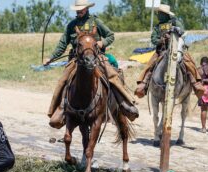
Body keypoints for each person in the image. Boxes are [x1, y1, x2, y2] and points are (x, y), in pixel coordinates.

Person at [45, 0, 138, 128]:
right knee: (63, 80)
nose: (79, 11)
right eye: (77, 9)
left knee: (112, 75)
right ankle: (57, 111)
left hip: (97, 57)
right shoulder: (71, 25)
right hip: (76, 60)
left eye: (81, 8)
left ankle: (126, 104)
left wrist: (102, 43)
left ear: (87, 9)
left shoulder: (96, 22)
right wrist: (51, 58)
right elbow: (62, 44)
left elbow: (110, 35)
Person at [134, 4, 204, 99]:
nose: (158, 15)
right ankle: (144, 83)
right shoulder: (157, 27)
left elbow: (182, 32)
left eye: (160, 13)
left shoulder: (175, 22)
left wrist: (173, 34)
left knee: (189, 62)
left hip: (177, 48)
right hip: (162, 50)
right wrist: (161, 40)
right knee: (150, 64)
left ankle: (195, 82)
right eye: (158, 13)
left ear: (165, 14)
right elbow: (153, 39)